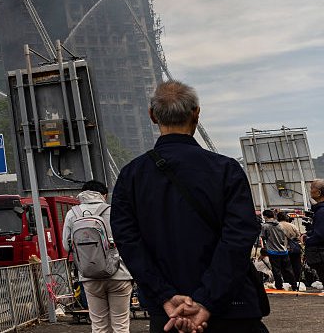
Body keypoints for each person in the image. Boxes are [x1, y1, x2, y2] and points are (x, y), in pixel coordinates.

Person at [110, 81, 267, 333]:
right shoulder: (226, 169)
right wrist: (206, 300)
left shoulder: (131, 176)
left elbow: (128, 242)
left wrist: (165, 295)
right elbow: (238, 238)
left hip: (169, 316)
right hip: (232, 309)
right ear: (196, 113)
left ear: (152, 115)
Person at [61, 180, 133, 333]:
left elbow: (67, 246)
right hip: (119, 274)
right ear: (104, 195)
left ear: (83, 194)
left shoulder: (72, 214)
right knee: (120, 325)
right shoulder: (114, 211)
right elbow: (128, 241)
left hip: (89, 276)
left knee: (99, 325)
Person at [260, 209, 296, 290]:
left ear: (265, 216)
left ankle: (279, 286)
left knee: (276, 270)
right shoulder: (280, 225)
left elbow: (263, 237)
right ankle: (294, 285)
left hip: (273, 252)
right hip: (284, 250)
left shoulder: (265, 226)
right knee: (289, 270)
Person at [303, 179, 324, 290]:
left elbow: (320, 235)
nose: (310, 191)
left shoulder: (321, 211)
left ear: (319, 192)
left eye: (312, 188)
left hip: (320, 254)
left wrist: (306, 239)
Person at [276, 211, 303, 290]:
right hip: (294, 249)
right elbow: (298, 235)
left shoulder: (276, 226)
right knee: (296, 265)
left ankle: (287, 282)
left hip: (281, 249)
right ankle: (297, 282)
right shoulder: (292, 225)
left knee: (284, 267)